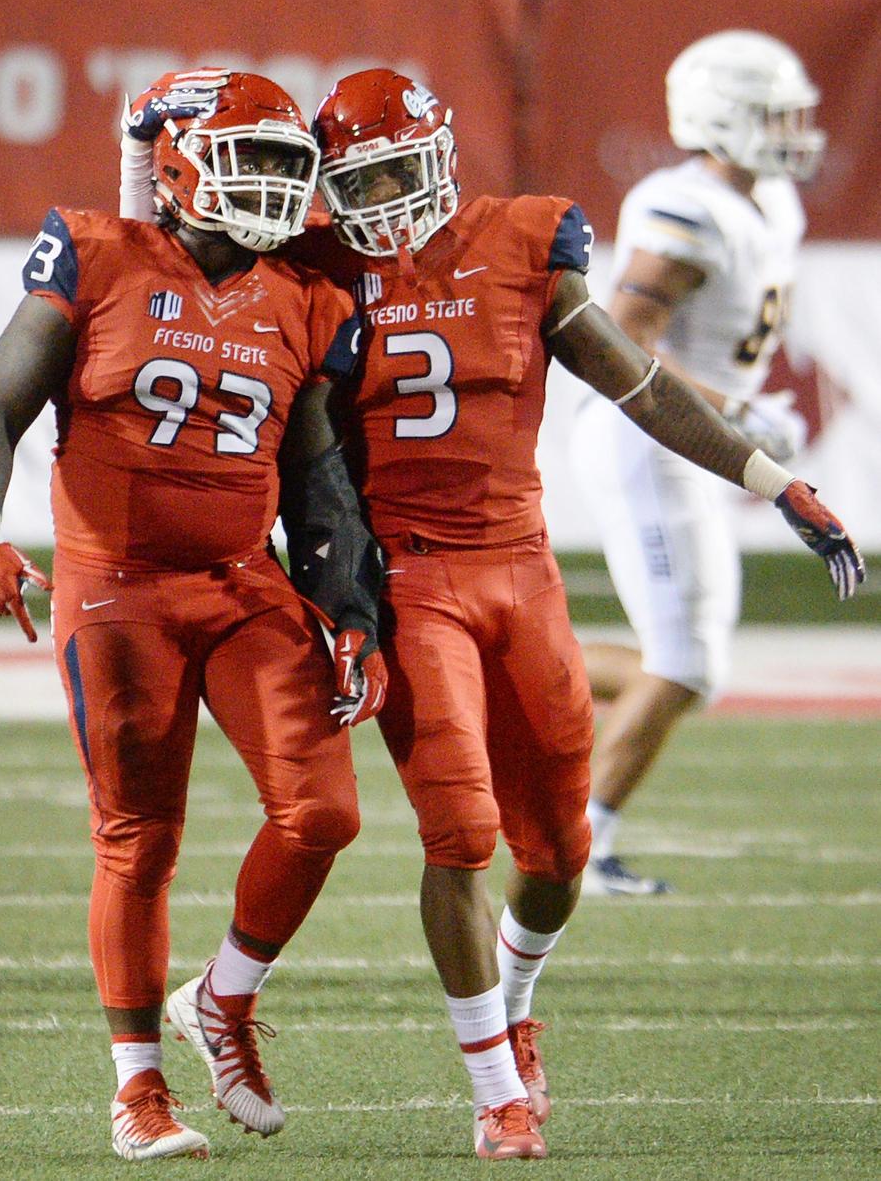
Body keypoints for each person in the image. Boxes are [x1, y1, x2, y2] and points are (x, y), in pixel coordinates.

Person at [119, 66, 862, 1161]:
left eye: (401, 174)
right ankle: (495, 1089)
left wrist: (769, 478)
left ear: (446, 157)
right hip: (407, 577)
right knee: (460, 832)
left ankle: (516, 999)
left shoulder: (522, 242)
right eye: (359, 182)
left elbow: (641, 383)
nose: (385, 203)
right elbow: (159, 268)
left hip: (521, 566)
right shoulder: (310, 262)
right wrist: (141, 150)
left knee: (555, 850)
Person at [0, 69, 388, 1163]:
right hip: (115, 587)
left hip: (243, 582)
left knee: (324, 810)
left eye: (294, 162)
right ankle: (136, 1090)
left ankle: (223, 997)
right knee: (140, 841)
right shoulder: (99, 255)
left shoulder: (306, 293)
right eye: (260, 158)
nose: (282, 183)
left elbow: (318, 475)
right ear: (186, 166)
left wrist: (347, 607)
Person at [570, 30, 836, 895]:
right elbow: (622, 339)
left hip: (697, 436)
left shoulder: (771, 201)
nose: (794, 128)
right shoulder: (682, 207)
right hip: (651, 434)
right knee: (683, 662)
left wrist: (740, 408)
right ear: (723, 117)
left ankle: (510, 659)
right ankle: (583, 844)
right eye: (774, 113)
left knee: (691, 662)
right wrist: (738, 411)